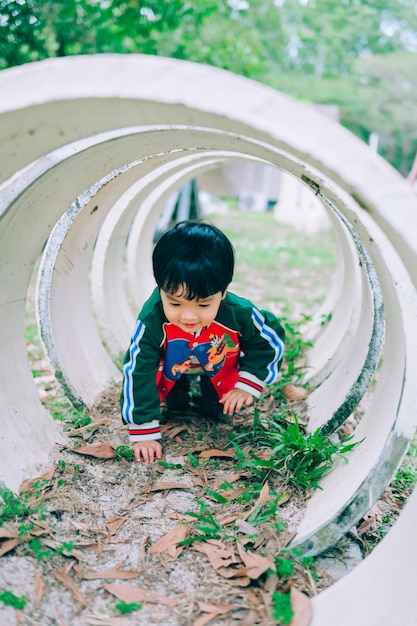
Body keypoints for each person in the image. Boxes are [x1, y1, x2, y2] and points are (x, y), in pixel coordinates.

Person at [120, 220, 285, 463]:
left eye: (204, 304)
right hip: (172, 363)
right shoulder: (152, 318)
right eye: (174, 303)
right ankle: (178, 393)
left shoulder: (238, 313)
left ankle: (212, 396)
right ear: (161, 288)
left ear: (223, 292)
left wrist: (247, 384)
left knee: (217, 408)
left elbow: (268, 341)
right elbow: (138, 369)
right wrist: (143, 429)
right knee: (175, 406)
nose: (188, 315)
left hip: (219, 361)